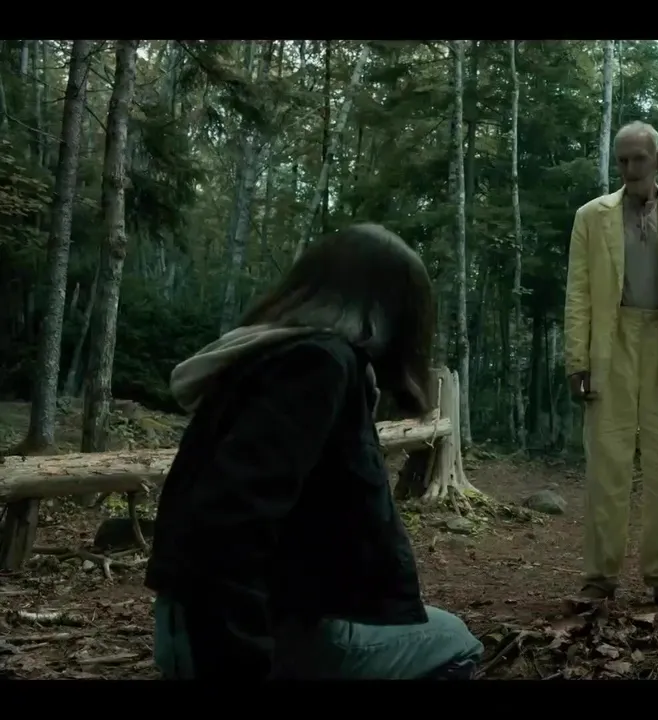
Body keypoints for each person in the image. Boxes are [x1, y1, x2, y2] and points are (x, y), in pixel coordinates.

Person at [144, 223, 484, 680]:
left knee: (429, 628)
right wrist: (242, 661)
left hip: (196, 625)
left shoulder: (265, 356)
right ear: (390, 311)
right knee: (454, 641)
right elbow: (232, 518)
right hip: (237, 637)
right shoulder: (317, 366)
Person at [563, 121, 658, 609]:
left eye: (639, 159)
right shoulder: (591, 217)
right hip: (611, 346)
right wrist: (577, 359)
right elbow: (579, 293)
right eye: (623, 160)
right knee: (606, 467)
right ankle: (599, 577)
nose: (630, 168)